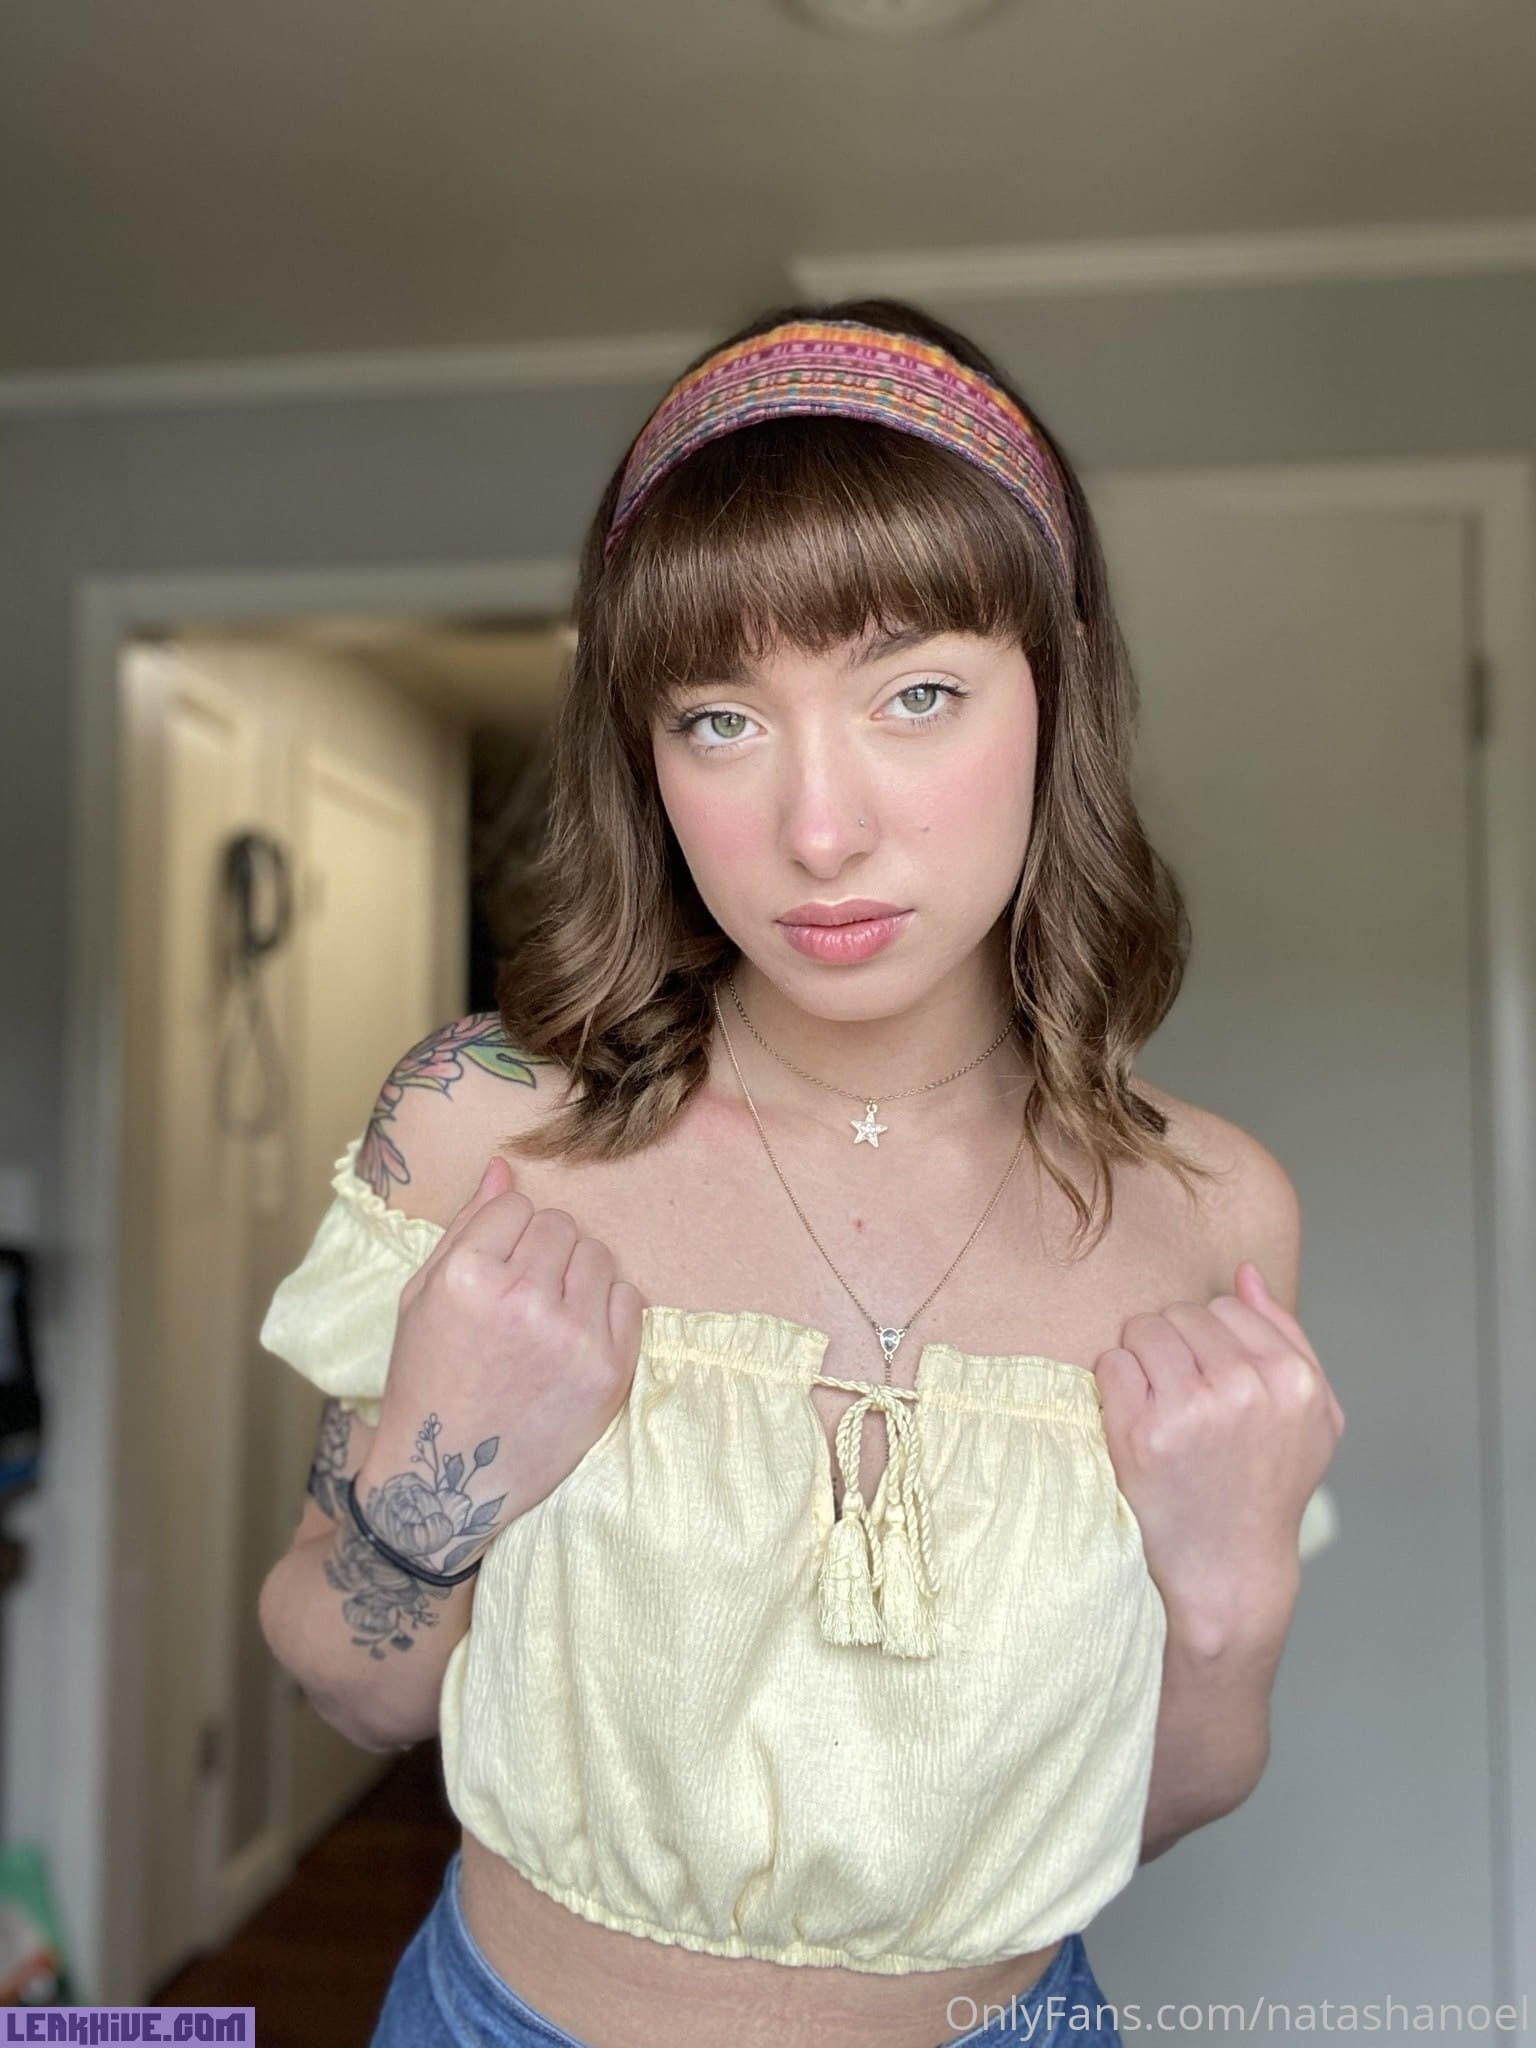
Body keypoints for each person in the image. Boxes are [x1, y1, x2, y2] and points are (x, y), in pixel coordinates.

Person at [258, 299, 1345, 2048]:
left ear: (1056, 689)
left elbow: (1148, 1811)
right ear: (644, 752)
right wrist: (441, 1481)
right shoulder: (487, 1128)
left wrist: (1230, 1596)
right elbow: (357, 1695)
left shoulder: (1213, 1211)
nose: (820, 829)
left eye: (917, 695)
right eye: (719, 719)